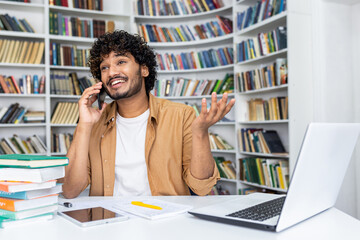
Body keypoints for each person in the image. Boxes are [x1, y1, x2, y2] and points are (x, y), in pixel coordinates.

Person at [61, 30, 235, 199]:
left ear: (144, 69)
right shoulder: (93, 121)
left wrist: (200, 133)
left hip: (164, 224)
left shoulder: (181, 115)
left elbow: (202, 187)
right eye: (104, 67)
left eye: (121, 62)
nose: (111, 72)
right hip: (110, 223)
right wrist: (84, 125)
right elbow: (69, 190)